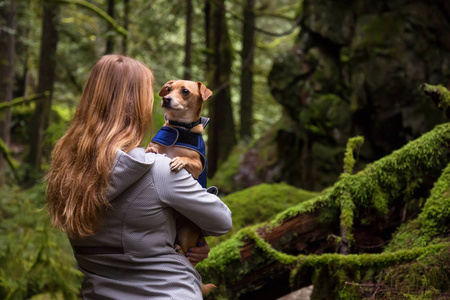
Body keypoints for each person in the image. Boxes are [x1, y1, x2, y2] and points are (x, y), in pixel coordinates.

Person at [46, 54, 232, 299]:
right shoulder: (162, 170)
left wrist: (183, 235)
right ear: (137, 107)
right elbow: (222, 220)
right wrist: (193, 228)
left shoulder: (67, 170)